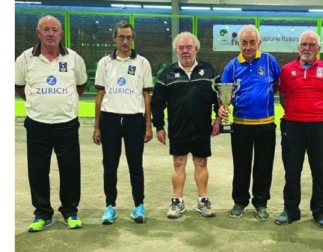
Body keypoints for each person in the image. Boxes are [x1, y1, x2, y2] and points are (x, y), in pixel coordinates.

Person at [15, 15, 87, 232]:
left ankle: (70, 212)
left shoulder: (74, 58)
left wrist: (63, 103)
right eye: (46, 29)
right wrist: (38, 103)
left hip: (66, 124)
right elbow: (19, 86)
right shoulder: (25, 59)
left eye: (55, 30)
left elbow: (81, 86)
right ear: (38, 33)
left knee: (70, 170)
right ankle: (42, 214)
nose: (50, 33)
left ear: (61, 34)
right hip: (37, 124)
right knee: (37, 171)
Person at [151, 31, 222, 219]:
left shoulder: (210, 71)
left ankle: (203, 202)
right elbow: (157, 103)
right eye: (181, 48)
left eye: (189, 47)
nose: (185, 51)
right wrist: (159, 126)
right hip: (178, 128)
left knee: (201, 162)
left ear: (196, 49)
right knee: (178, 162)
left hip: (201, 127)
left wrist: (218, 119)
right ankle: (177, 202)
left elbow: (219, 98)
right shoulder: (166, 74)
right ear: (176, 50)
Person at [274, 30, 323, 228]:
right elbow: (283, 97)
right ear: (298, 47)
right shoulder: (287, 70)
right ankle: (291, 210)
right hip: (293, 126)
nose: (307, 48)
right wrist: (297, 114)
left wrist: (316, 114)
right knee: (292, 171)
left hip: (320, 127)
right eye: (303, 44)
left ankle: (320, 212)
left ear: (318, 48)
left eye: (311, 45)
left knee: (319, 171)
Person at [92, 21, 153, 224]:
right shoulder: (104, 63)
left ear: (133, 39)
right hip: (109, 120)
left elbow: (146, 96)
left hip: (134, 120)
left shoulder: (143, 63)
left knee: (136, 166)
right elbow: (100, 95)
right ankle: (110, 206)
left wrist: (148, 125)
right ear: (114, 38)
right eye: (121, 37)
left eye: (129, 37)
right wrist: (96, 127)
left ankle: (139, 206)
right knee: (110, 166)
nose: (125, 41)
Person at [219, 24, 281, 221]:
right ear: (238, 43)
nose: (248, 47)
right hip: (241, 124)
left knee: (264, 166)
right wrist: (224, 106)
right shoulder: (231, 66)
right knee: (241, 165)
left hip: (266, 123)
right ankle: (240, 201)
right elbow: (224, 95)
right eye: (244, 43)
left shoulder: (270, 61)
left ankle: (261, 203)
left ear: (259, 43)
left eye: (252, 42)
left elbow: (277, 84)